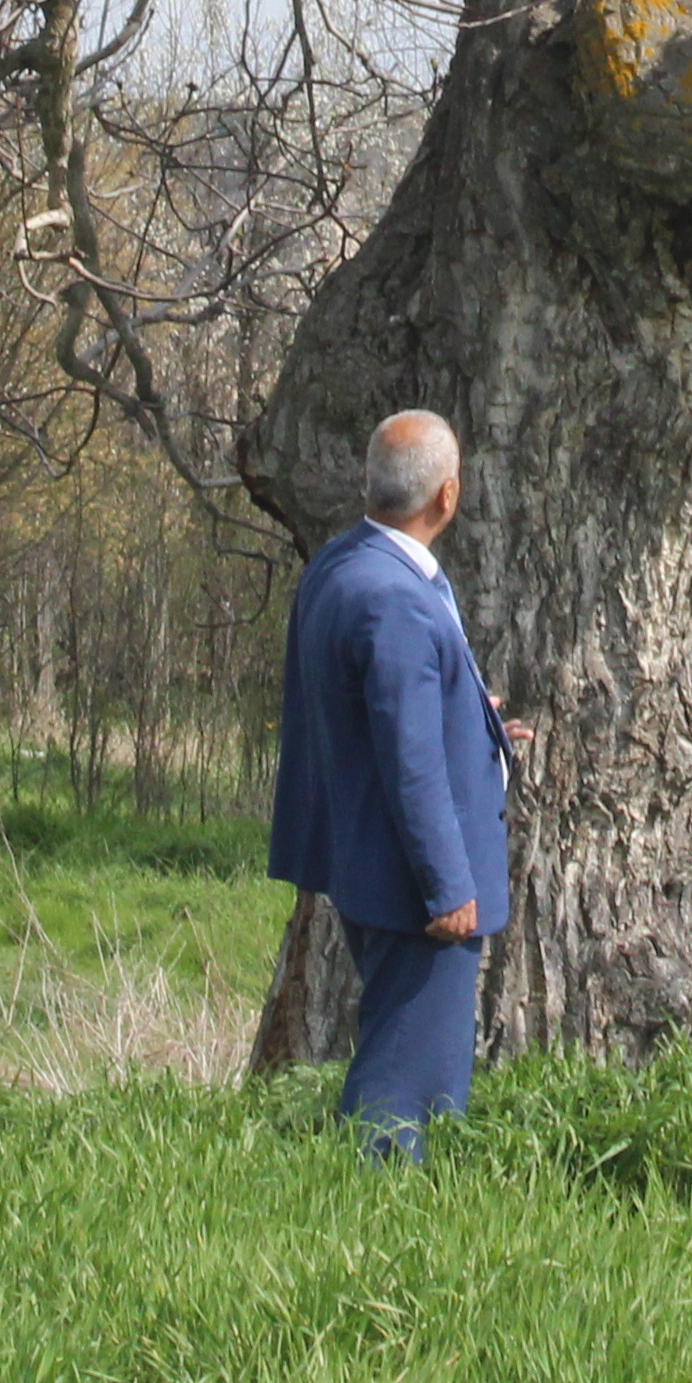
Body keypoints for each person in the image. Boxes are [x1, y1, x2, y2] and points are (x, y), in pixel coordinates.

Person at [268, 407, 523, 1151]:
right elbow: (409, 762)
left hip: (361, 855)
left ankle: (420, 1200)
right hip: (414, 877)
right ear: (447, 495)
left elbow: (371, 711)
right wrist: (447, 887)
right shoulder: (399, 600)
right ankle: (376, 1211)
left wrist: (474, 722)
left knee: (429, 1068)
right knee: (407, 1073)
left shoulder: (342, 567)